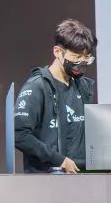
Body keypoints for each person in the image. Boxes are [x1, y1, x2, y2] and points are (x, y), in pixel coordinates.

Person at [14, 19, 97, 173]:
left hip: (80, 178)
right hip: (46, 179)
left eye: (86, 58)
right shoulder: (37, 86)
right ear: (58, 52)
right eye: (76, 57)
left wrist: (106, 163)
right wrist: (59, 160)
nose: (81, 63)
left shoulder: (83, 87)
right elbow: (19, 134)